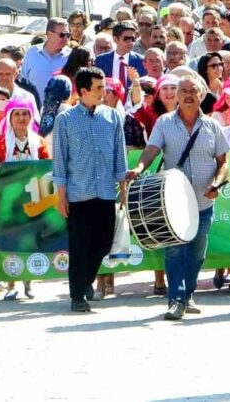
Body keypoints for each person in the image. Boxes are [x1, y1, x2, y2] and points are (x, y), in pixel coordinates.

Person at [129, 74, 229, 320]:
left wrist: (216, 183)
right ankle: (175, 300)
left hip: (204, 201)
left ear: (201, 95)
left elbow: (223, 162)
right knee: (174, 252)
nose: (186, 94)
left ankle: (188, 295)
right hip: (173, 203)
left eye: (192, 90)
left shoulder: (213, 126)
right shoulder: (164, 123)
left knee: (197, 253)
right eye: (182, 90)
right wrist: (140, 167)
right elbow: (152, 149)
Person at [52, 67, 130, 313]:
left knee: (104, 242)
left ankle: (86, 281)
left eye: (104, 88)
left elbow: (120, 154)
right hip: (78, 193)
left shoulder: (112, 117)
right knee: (79, 246)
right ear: (83, 91)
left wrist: (123, 188)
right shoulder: (65, 120)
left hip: (106, 191)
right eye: (98, 88)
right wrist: (60, 194)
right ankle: (77, 296)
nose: (103, 92)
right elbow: (60, 161)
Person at [0, 99, 49, 301]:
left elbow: (46, 168)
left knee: (30, 239)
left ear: (31, 117)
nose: (21, 118)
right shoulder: (0, 142)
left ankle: (28, 280)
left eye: (25, 114)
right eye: (17, 114)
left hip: (32, 201)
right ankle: (11, 283)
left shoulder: (39, 142)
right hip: (8, 201)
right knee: (10, 239)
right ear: (10, 118)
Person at [21, 18, 72, 97]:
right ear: (49, 34)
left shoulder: (71, 56)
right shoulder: (32, 53)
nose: (65, 38)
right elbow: (23, 81)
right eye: (62, 35)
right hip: (35, 107)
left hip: (61, 109)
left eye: (68, 35)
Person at [96, 21, 146, 89]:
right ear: (115, 39)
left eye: (133, 39)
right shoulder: (101, 61)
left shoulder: (141, 61)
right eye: (126, 39)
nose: (131, 42)